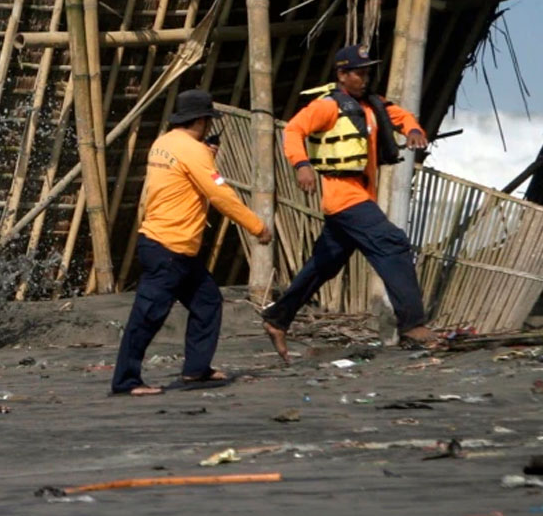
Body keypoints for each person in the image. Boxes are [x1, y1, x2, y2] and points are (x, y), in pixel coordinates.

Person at [262, 45, 438, 363]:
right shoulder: (328, 106)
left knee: (323, 265)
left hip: (358, 196)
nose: (365, 78)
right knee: (394, 243)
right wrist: (302, 165)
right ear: (342, 75)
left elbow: (402, 116)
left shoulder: (372, 105)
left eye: (368, 72)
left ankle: (277, 318)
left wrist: (413, 130)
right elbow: (293, 130)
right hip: (344, 197)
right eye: (359, 72)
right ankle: (413, 325)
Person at [111, 90, 273, 396]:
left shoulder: (163, 143)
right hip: (169, 247)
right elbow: (220, 195)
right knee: (146, 317)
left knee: (207, 301)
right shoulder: (194, 151)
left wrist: (205, 154)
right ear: (201, 120)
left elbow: (182, 178)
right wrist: (256, 226)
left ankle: (197, 369)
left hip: (170, 247)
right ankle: (125, 381)